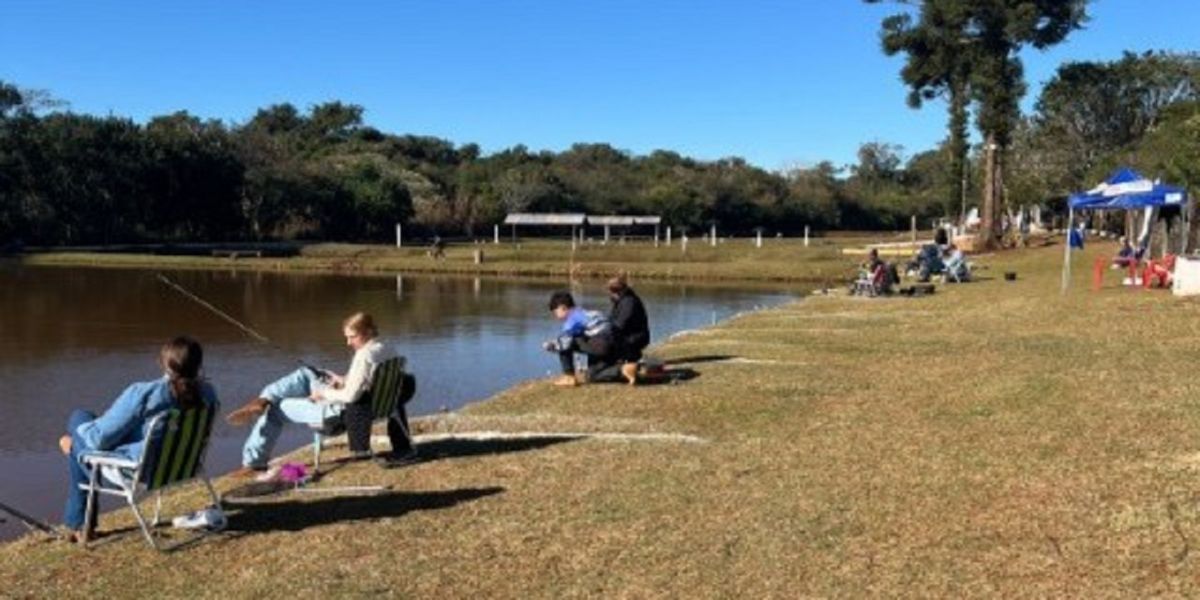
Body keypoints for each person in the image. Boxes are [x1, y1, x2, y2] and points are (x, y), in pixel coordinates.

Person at [59, 336, 218, 543]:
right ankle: (80, 523)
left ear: (163, 363)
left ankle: (81, 525)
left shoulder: (145, 393)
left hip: (137, 475)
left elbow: (97, 441)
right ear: (199, 365)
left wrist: (71, 440)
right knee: (89, 428)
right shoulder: (208, 394)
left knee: (79, 421)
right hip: (180, 468)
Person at [226, 312, 413, 473]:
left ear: (368, 331)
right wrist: (343, 380)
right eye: (347, 337)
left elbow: (350, 397)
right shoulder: (388, 348)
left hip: (338, 413)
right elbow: (368, 379)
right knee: (307, 373)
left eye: (352, 337)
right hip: (373, 404)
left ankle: (254, 462)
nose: (348, 343)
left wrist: (324, 393)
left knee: (275, 409)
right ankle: (263, 398)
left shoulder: (364, 355)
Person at [542, 291, 615, 386]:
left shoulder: (571, 321)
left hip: (601, 344)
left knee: (562, 343)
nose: (556, 316)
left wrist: (550, 346)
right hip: (613, 343)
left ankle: (569, 377)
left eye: (555, 312)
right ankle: (623, 369)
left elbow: (566, 341)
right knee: (591, 375)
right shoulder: (583, 312)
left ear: (562, 307)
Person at [606, 275, 651, 385]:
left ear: (622, 289)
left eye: (614, 290)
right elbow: (612, 320)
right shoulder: (620, 301)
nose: (612, 293)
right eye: (611, 290)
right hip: (629, 335)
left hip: (635, 337)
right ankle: (621, 362)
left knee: (607, 339)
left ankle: (627, 364)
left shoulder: (629, 302)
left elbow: (620, 324)